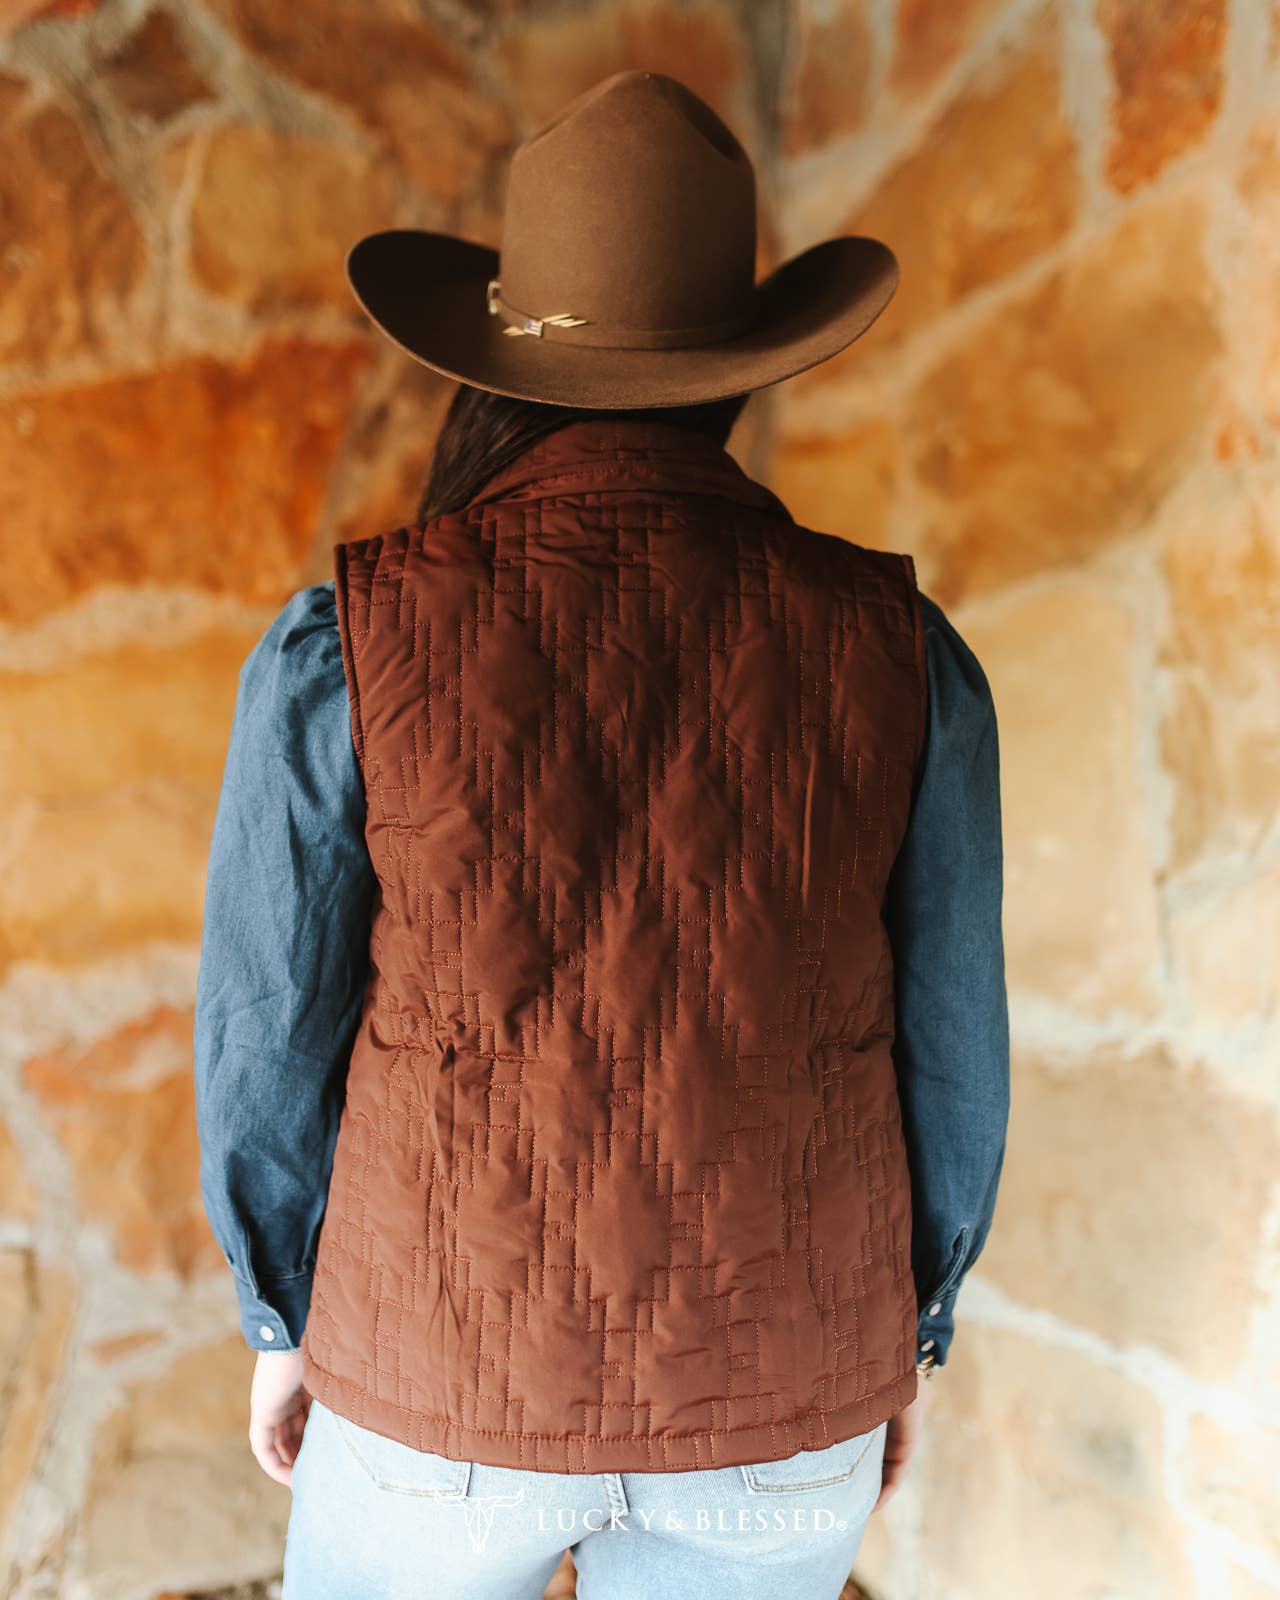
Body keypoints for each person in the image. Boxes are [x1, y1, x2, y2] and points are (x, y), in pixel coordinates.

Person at [195, 69, 1008, 1600]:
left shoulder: (348, 644)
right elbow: (953, 1040)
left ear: (500, 358)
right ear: (740, 370)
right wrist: (903, 1329)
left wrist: (277, 1320)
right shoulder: (901, 652)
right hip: (782, 1373)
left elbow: (266, 1029)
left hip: (441, 1370)